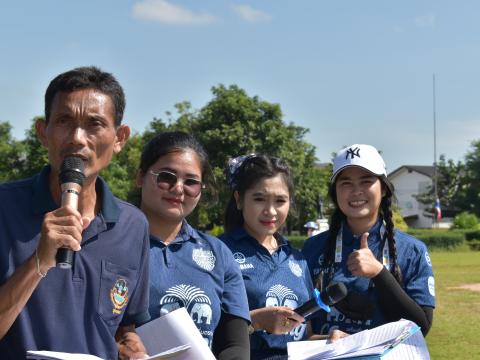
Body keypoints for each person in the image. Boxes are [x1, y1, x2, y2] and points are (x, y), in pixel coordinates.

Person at [0, 66, 150, 359]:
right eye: (64, 121)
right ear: (43, 132)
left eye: (94, 124)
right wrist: (38, 263)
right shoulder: (4, 208)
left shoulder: (133, 225)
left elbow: (123, 325)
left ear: (120, 138)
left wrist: (131, 345)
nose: (78, 138)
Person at [136, 131, 250, 359]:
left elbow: (235, 345)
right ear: (140, 177)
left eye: (191, 182)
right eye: (166, 177)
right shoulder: (110, 244)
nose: (178, 188)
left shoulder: (218, 254)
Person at [302, 144, 435, 336]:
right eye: (346, 183)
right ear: (335, 193)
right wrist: (321, 338)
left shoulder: (413, 250)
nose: (356, 191)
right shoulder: (313, 247)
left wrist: (379, 273)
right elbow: (300, 324)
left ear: (383, 189)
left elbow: (421, 327)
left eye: (366, 181)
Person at [220, 154, 314, 360]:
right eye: (259, 199)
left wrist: (336, 339)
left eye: (280, 200)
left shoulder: (297, 258)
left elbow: (305, 335)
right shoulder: (219, 252)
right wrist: (256, 321)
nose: (270, 211)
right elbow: (205, 330)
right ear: (239, 199)